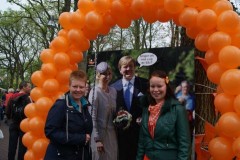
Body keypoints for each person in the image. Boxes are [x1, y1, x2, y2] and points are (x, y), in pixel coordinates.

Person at [136, 70, 191, 160]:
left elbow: (184, 145)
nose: (156, 90)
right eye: (152, 86)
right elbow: (142, 141)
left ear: (166, 87)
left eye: (159, 86)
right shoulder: (146, 109)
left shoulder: (178, 109)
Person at [44, 70, 93, 160]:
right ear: (69, 86)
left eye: (81, 87)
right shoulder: (60, 105)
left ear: (85, 87)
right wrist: (80, 139)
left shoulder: (85, 106)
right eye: (75, 86)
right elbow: (50, 132)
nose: (78, 90)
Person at [111, 55, 148, 160]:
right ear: (120, 70)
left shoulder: (145, 84)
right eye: (125, 66)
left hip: (140, 133)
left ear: (134, 67)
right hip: (120, 136)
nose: (128, 69)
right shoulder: (113, 88)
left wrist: (144, 117)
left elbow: (150, 105)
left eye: (131, 66)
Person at [88, 62, 118, 160]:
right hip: (99, 135)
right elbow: (92, 117)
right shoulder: (95, 92)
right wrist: (97, 139)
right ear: (98, 75)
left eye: (109, 73)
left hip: (112, 134)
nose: (108, 76)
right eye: (104, 74)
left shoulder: (113, 91)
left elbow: (114, 113)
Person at [6, 81, 32, 160]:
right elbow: (31, 112)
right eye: (29, 87)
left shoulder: (12, 97)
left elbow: (8, 112)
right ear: (23, 87)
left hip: (13, 124)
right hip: (24, 125)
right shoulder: (28, 98)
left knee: (12, 145)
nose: (30, 88)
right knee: (22, 146)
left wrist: (10, 120)